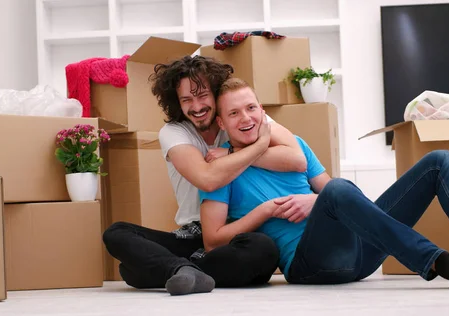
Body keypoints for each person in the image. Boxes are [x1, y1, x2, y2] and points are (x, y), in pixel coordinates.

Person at [199, 77, 449, 289]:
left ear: (262, 110)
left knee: (441, 160)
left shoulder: (295, 146)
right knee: (338, 189)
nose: (246, 118)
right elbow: (212, 240)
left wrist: (315, 201)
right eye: (234, 113)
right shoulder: (220, 171)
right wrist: (264, 210)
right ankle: (437, 262)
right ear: (222, 123)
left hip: (358, 252)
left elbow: (330, 191)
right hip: (310, 265)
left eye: (250, 108)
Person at [102, 56, 308, 295]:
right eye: (186, 99)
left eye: (202, 96)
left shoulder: (244, 115)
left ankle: (166, 269)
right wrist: (259, 146)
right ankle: (180, 269)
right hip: (195, 234)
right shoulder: (173, 132)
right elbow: (207, 179)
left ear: (217, 93)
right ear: (177, 103)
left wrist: (230, 153)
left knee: (263, 249)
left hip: (240, 233)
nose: (197, 107)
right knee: (116, 233)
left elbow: (297, 159)